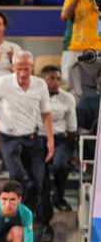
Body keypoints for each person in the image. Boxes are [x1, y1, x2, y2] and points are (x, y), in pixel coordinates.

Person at [0, 51, 54, 242]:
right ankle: (15, 221)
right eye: (19, 69)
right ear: (13, 68)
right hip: (9, 139)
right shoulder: (3, 83)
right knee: (20, 178)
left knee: (38, 183)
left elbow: (46, 114)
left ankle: (30, 219)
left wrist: (50, 141)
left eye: (26, 69)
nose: (22, 73)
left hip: (32, 138)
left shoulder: (40, 85)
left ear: (32, 68)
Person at [39, 65, 77, 217]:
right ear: (42, 79)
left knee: (61, 165)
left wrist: (72, 152)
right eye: (51, 79)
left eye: (58, 79)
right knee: (40, 174)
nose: (55, 82)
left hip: (59, 139)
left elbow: (71, 128)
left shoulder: (67, 98)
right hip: (38, 139)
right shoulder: (33, 96)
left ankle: (59, 197)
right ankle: (42, 203)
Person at [60, 0, 101, 97]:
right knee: (70, 89)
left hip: (98, 49)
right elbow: (64, 16)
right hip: (75, 48)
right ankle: (73, 106)